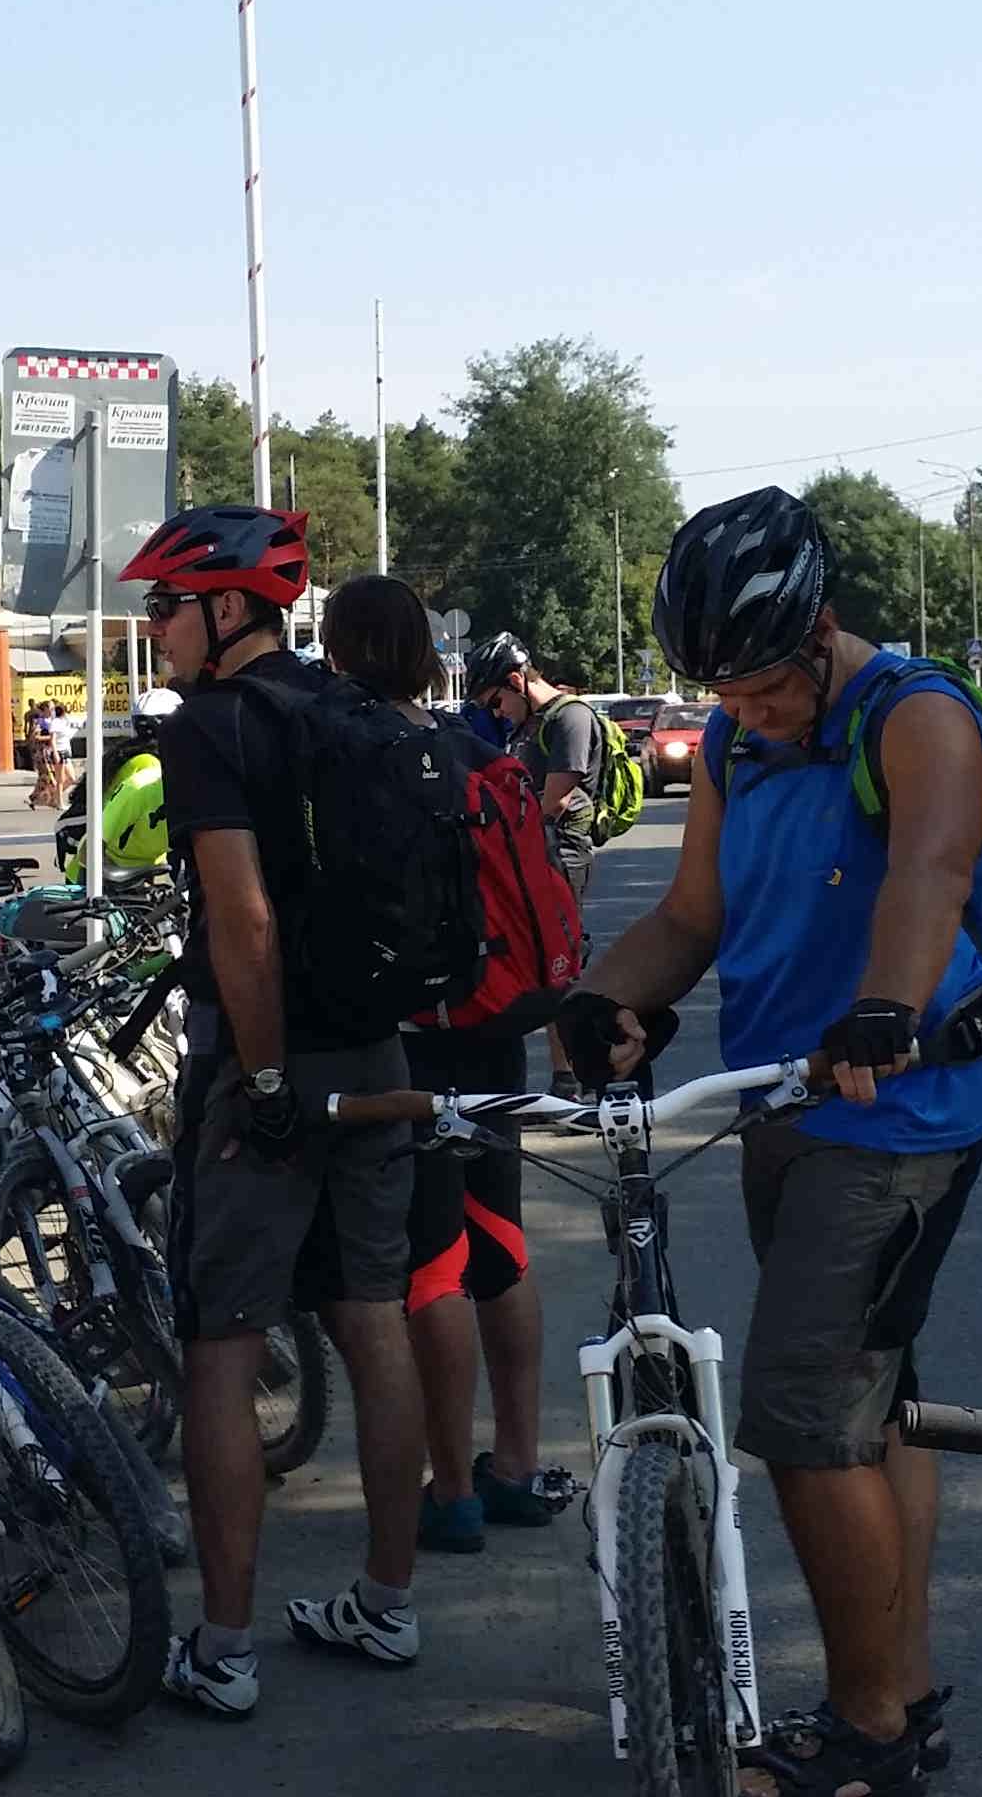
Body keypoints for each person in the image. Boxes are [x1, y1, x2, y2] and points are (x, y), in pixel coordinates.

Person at [557, 485, 982, 1797]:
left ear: (819, 630)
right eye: (722, 692)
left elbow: (930, 873)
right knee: (876, 1403)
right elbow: (694, 914)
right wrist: (603, 995)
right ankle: (905, 1687)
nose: (743, 713)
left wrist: (886, 1008)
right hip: (779, 1106)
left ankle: (868, 1733)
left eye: (761, 686)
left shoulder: (915, 714)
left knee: (806, 1422)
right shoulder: (735, 747)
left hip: (895, 1118)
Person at [126, 505, 433, 1717]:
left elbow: (244, 924)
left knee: (224, 1344)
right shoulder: (354, 708)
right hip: (376, 1054)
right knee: (374, 1320)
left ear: (227, 609)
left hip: (267, 1062)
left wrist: (257, 1082)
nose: (155, 626)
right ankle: (389, 1603)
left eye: (166, 606)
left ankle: (224, 1648)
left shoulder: (210, 728)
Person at [326, 579, 568, 1555]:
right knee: (501, 1245)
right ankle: (518, 1464)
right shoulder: (477, 753)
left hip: (411, 1038)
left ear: (340, 654)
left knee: (432, 1263)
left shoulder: (356, 758)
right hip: (494, 1023)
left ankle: (454, 1488)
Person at [465, 633, 618, 923]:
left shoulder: (570, 717)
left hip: (560, 854)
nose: (497, 713)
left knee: (559, 940)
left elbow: (555, 803)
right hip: (529, 850)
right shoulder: (529, 722)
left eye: (496, 701)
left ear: (515, 681)